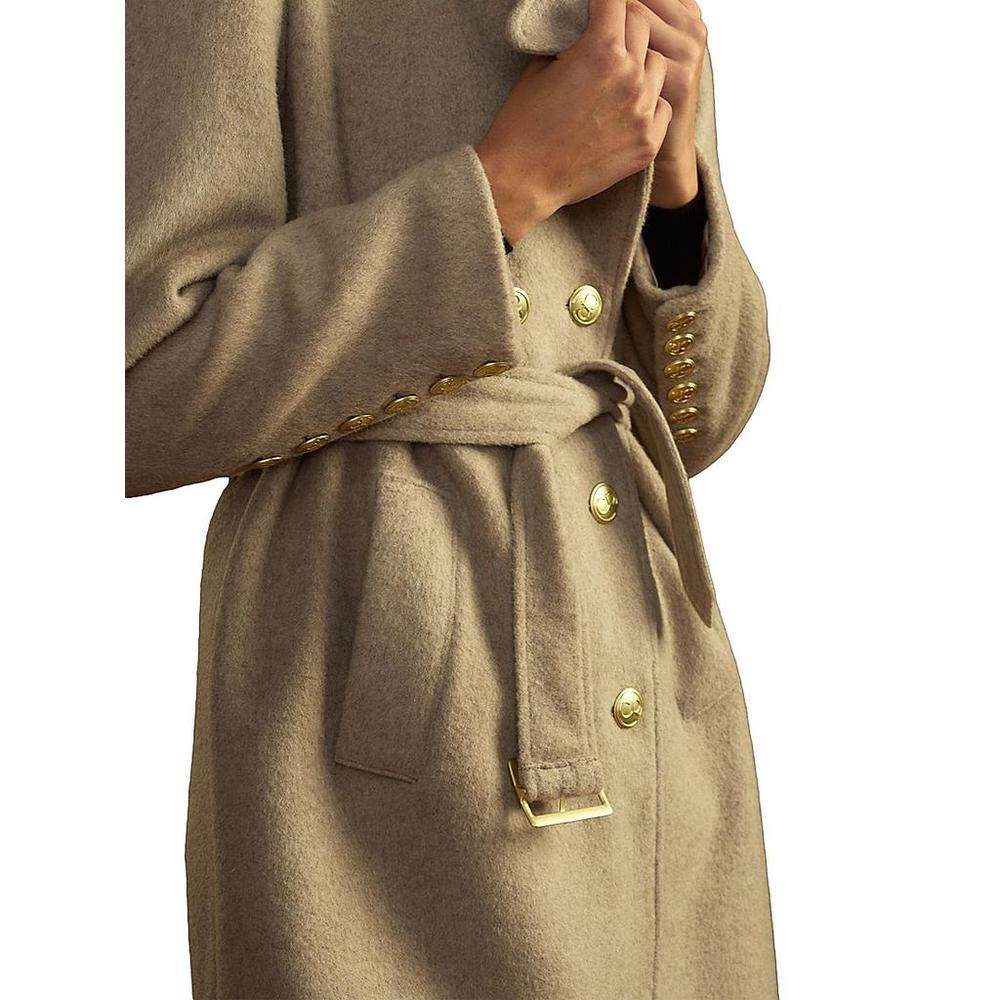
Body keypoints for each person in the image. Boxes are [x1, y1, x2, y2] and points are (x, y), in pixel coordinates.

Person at [125, 0, 776, 996]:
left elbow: (689, 427)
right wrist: (501, 191)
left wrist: (680, 196)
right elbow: (139, 388)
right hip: (377, 725)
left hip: (644, 685)